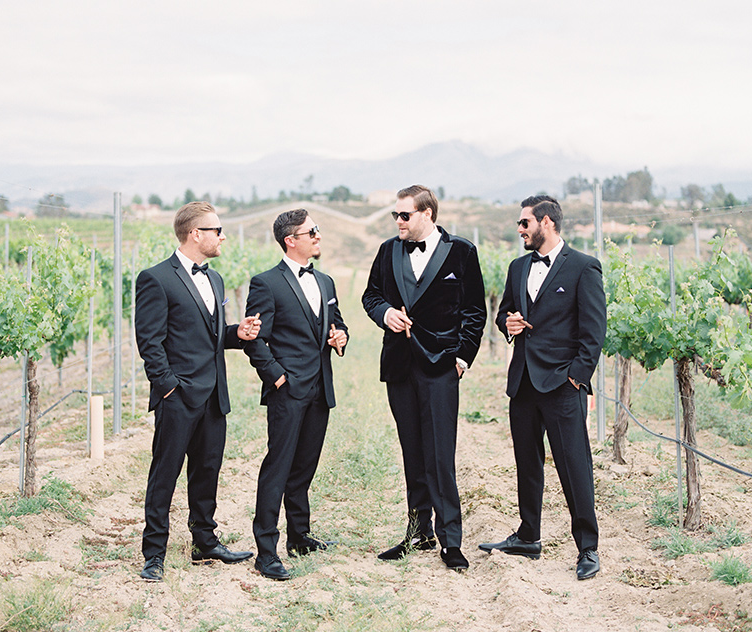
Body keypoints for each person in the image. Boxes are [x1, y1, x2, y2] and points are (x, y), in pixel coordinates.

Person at [478, 195, 606, 581]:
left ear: (546, 222)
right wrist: (509, 324)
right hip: (523, 383)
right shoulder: (518, 267)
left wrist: (575, 378)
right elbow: (503, 314)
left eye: (524, 223)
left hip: (562, 386)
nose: (519, 230)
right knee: (527, 464)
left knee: (574, 466)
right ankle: (528, 536)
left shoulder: (584, 267)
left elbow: (593, 333)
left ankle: (587, 547)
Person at [134, 201, 261, 582]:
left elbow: (209, 336)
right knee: (165, 474)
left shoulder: (215, 279)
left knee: (207, 471)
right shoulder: (156, 278)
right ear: (195, 234)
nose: (222, 237)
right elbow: (149, 343)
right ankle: (154, 553)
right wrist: (170, 388)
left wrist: (236, 333)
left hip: (213, 397)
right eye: (217, 230)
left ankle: (204, 542)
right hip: (179, 397)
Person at [362, 184, 486, 572]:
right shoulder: (387, 251)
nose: (398, 221)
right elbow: (371, 295)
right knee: (412, 450)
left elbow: (475, 312)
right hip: (400, 365)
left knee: (439, 455)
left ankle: (451, 541)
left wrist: (463, 358)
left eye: (405, 215)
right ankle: (419, 531)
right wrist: (384, 314)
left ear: (427, 214)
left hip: (442, 366)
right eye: (395, 215)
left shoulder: (462, 252)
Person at [243, 209, 349, 581]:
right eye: (312, 231)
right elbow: (254, 340)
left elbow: (337, 324)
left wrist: (341, 337)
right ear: (291, 240)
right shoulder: (265, 283)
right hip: (287, 391)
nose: (318, 236)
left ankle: (299, 536)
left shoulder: (326, 282)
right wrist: (276, 378)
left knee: (304, 466)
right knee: (279, 467)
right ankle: (266, 550)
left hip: (320, 388)